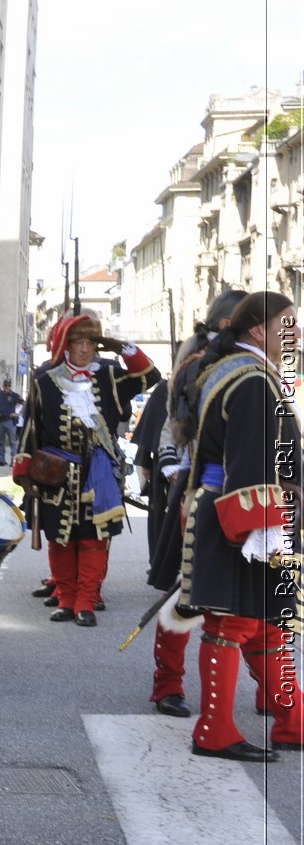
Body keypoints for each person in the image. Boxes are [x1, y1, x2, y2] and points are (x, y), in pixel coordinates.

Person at [177, 291, 302, 759]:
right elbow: (251, 463)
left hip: (245, 513)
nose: (297, 333)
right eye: (288, 324)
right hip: (247, 519)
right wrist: (264, 533)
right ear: (258, 330)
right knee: (232, 622)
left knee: (266, 624)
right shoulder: (252, 381)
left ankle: (294, 722)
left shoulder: (241, 371)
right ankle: (214, 730)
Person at [13, 315, 159, 627]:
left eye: (90, 343)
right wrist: (24, 470)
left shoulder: (109, 376)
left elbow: (150, 377)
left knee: (94, 539)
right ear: (66, 345)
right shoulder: (45, 381)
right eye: (78, 342)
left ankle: (86, 602)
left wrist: (123, 349)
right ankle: (66, 599)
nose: (84, 349)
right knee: (61, 539)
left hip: (100, 471)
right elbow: (31, 427)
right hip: (57, 473)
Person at [142, 290, 245, 717]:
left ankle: (273, 692)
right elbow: (180, 427)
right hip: (199, 489)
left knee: (249, 599)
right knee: (183, 594)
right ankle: (167, 684)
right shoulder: (199, 368)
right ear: (227, 326)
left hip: (240, 490)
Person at [0, 379, 21, 465]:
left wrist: (18, 413)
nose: (7, 388)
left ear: (10, 386)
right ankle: (1, 460)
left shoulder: (14, 395)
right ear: (3, 386)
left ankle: (14, 460)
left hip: (10, 421)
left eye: (9, 386)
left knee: (13, 442)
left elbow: (24, 403)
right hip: (0, 420)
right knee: (0, 441)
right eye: (6, 386)